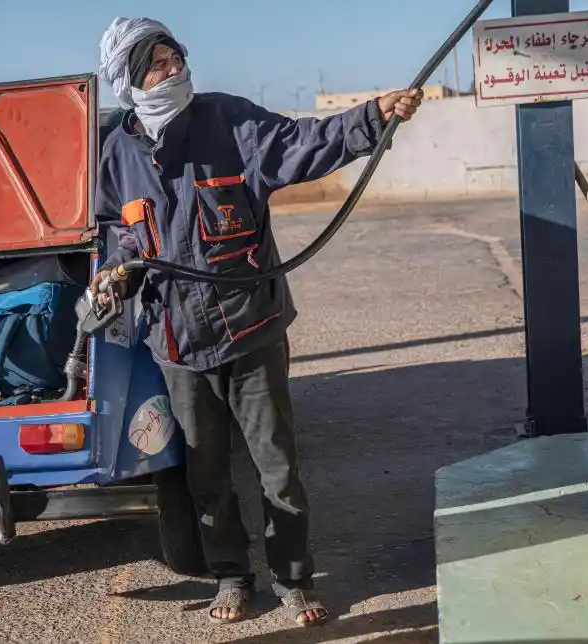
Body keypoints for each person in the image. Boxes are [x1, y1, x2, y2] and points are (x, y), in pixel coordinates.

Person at [92, 17, 422, 626]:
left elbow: (303, 143)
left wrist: (372, 116)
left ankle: (293, 582)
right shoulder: (118, 154)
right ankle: (232, 578)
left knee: (278, 467)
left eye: (176, 59)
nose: (175, 71)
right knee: (207, 476)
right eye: (159, 65)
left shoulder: (228, 121)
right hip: (177, 344)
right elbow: (114, 231)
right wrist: (115, 274)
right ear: (130, 81)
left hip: (251, 329)